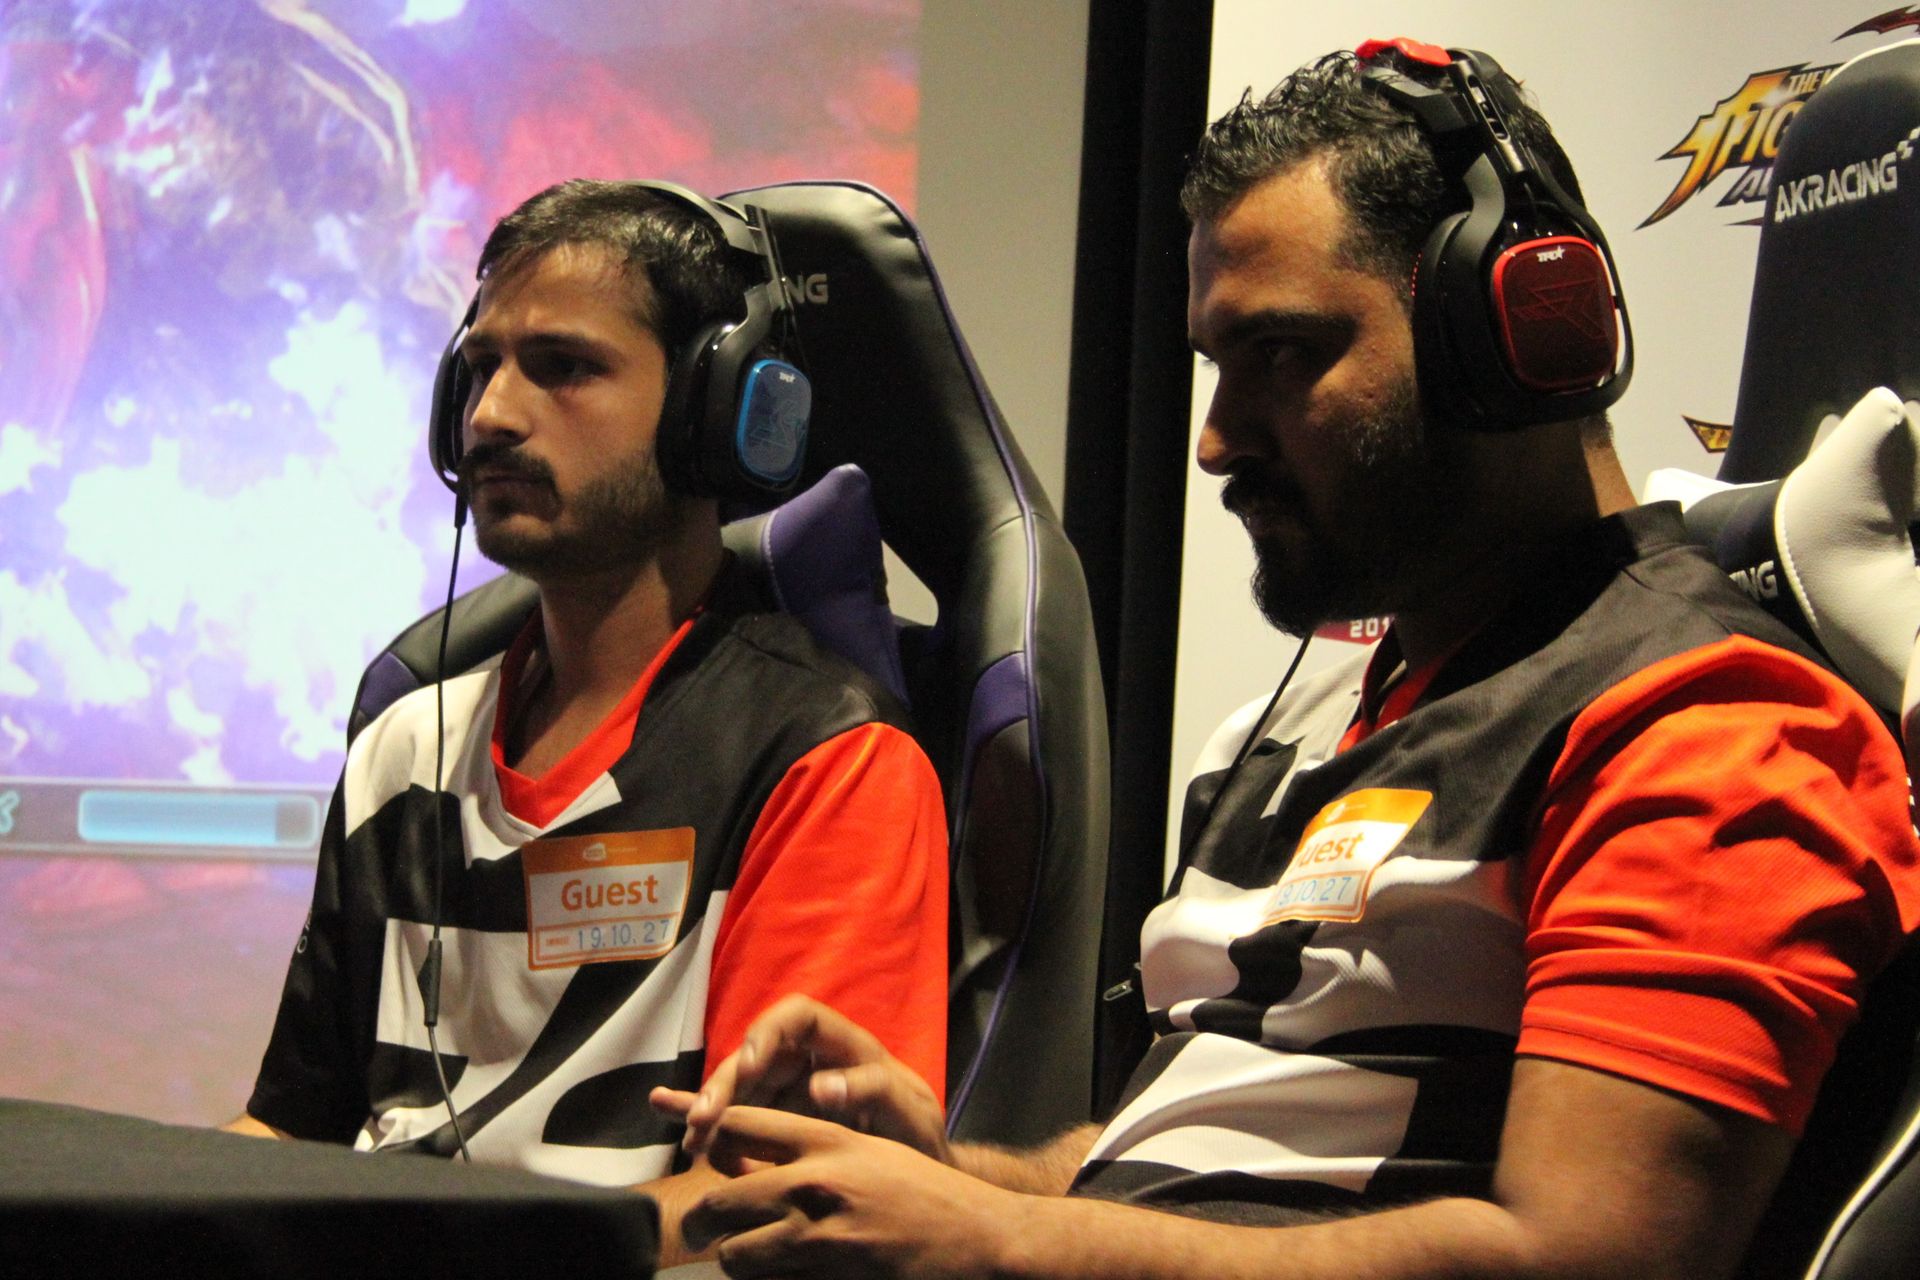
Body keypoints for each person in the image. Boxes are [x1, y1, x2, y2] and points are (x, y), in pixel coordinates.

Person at [649, 43, 1920, 1280]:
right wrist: (947, 1176)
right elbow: (1197, 1166)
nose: (1215, 438)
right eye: (1217, 365)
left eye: (1283, 353)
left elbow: (1587, 1251)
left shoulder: (1709, 731)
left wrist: (1000, 1242)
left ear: (1511, 334)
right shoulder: (1311, 722)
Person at [227, 179, 949, 1265]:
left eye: (562, 366)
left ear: (716, 410)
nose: (491, 415)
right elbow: (290, 1130)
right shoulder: (405, 747)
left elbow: (783, 1196)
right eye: (479, 368)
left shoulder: (828, 764)